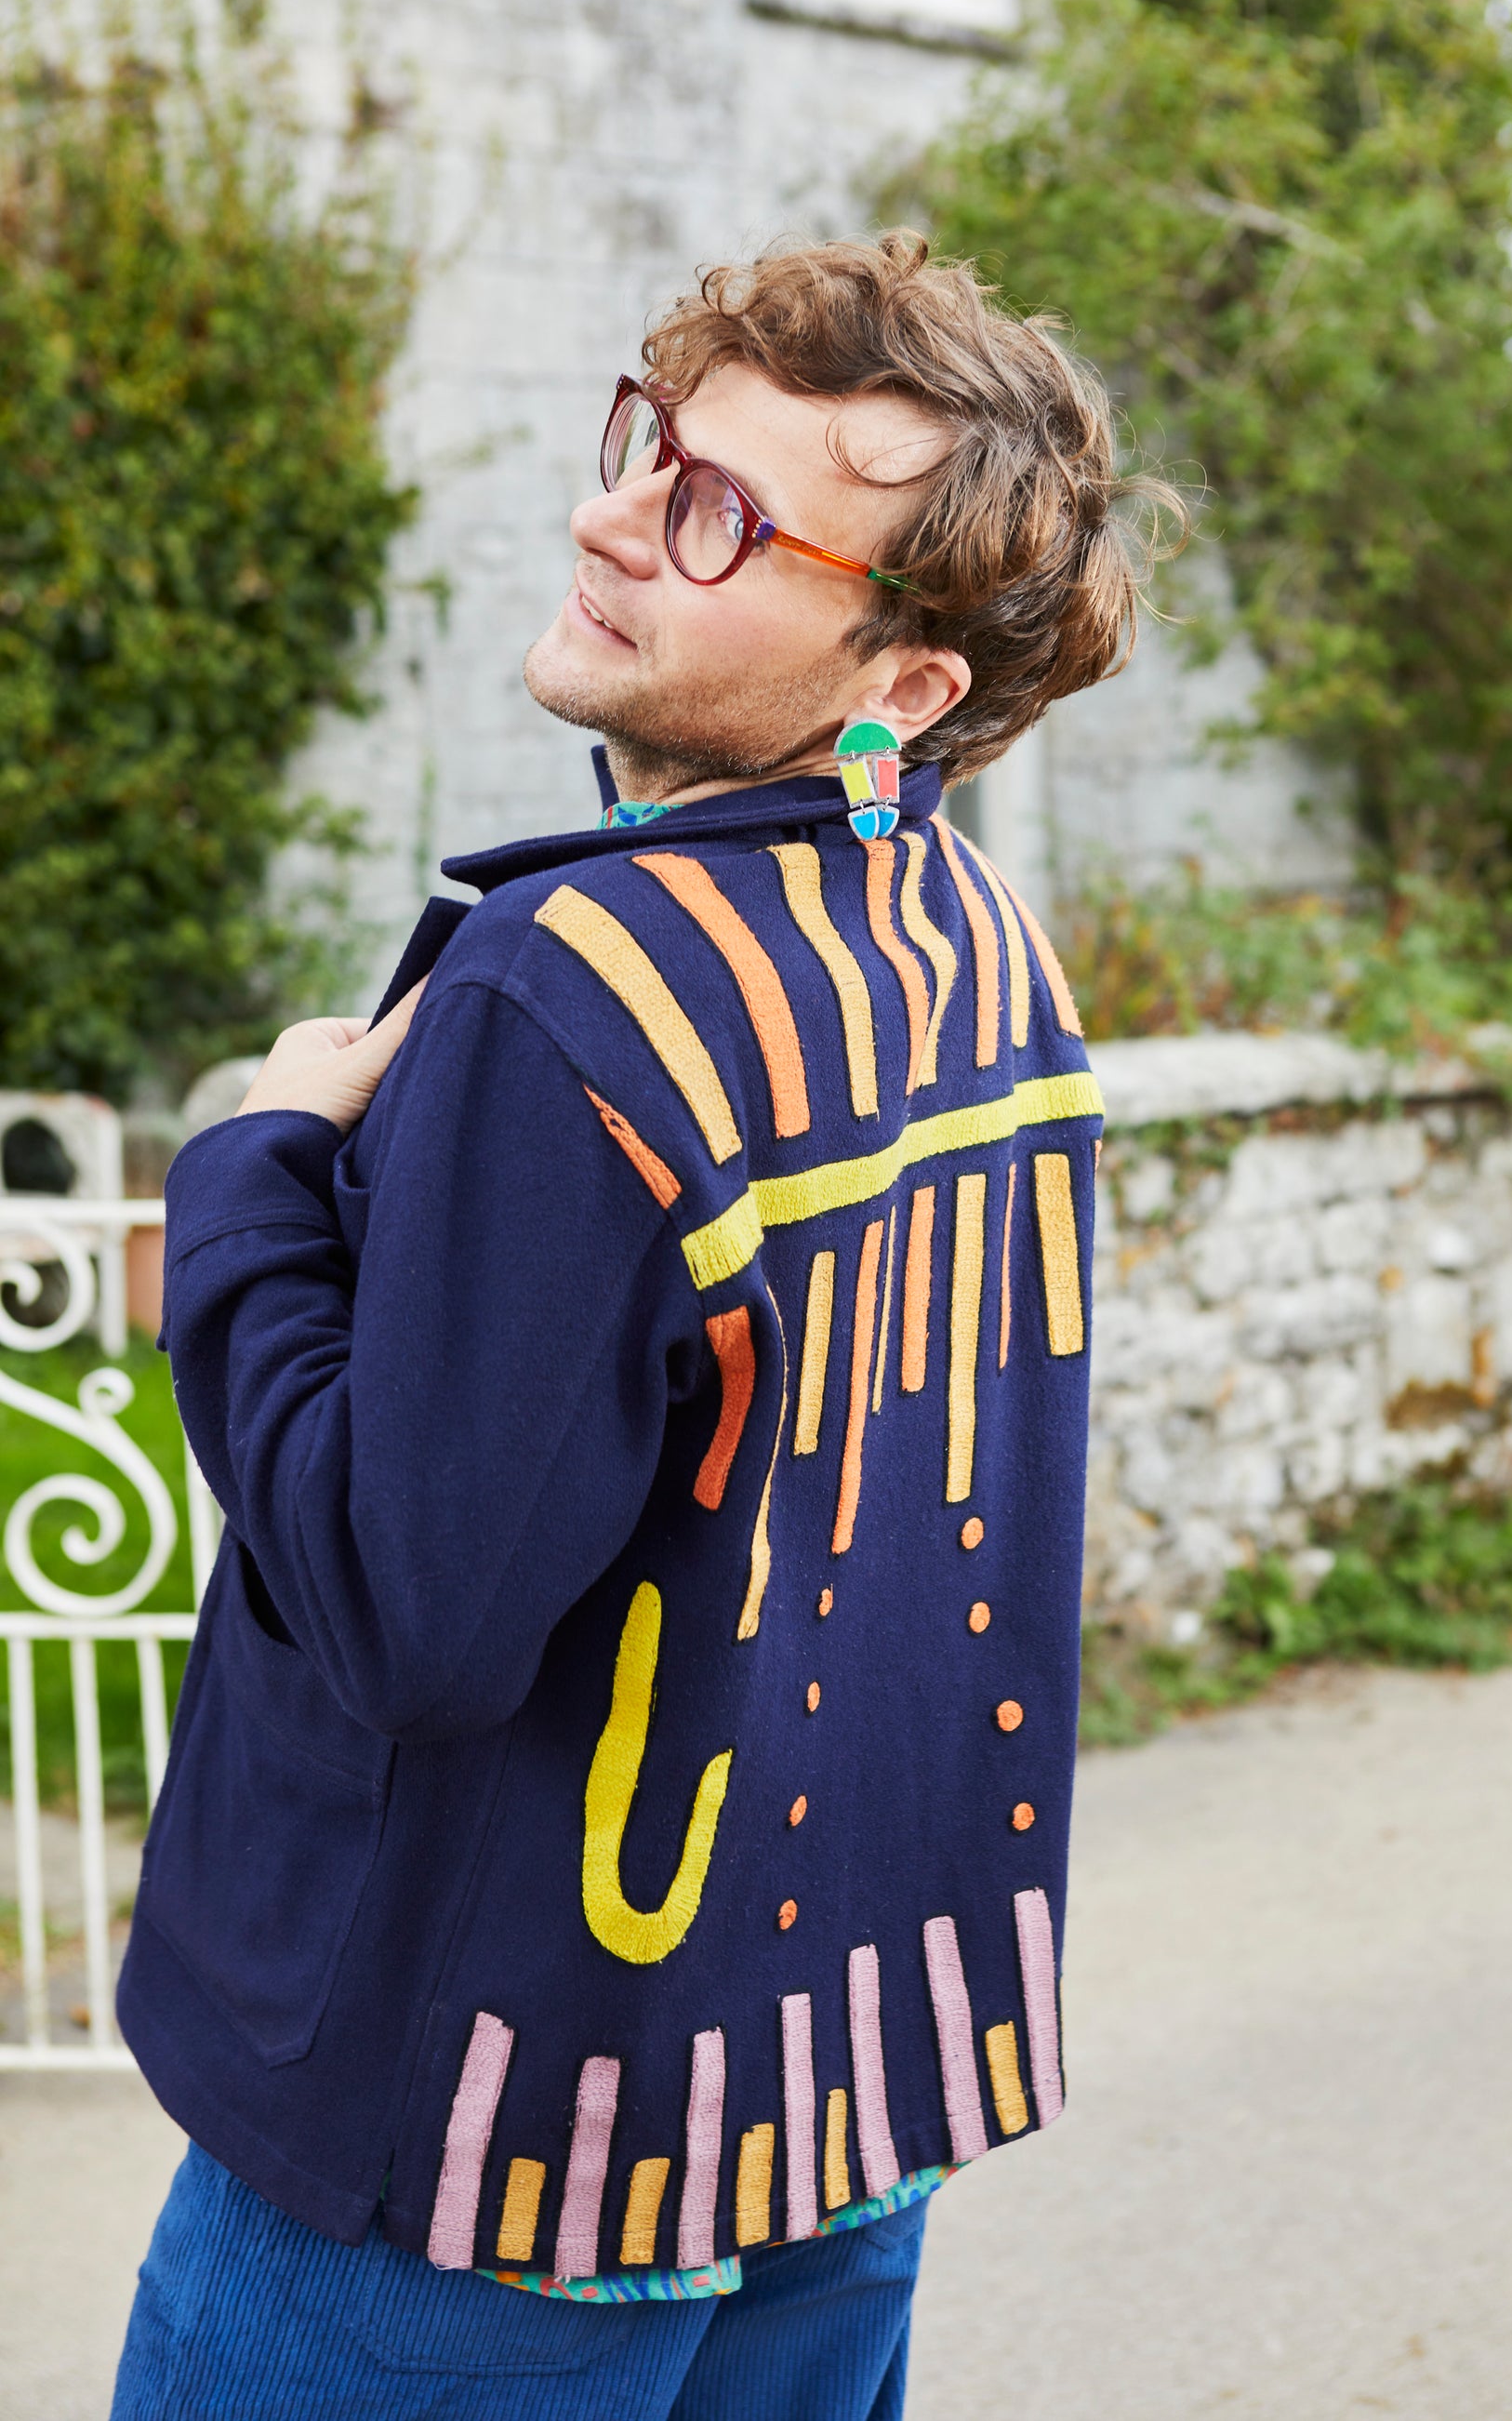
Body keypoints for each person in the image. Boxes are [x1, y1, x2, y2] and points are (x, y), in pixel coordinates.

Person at [112, 233, 1183, 2419]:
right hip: (846, 2098)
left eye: (717, 514)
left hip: (498, 2141)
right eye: (651, 448)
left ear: (899, 691)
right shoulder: (986, 953)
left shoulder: (569, 995)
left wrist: (245, 1190)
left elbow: (413, 1614)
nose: (616, 517)